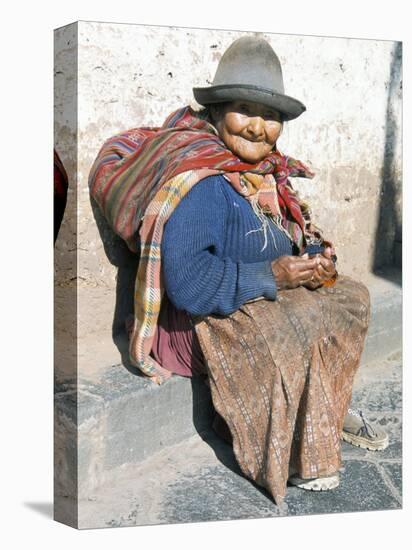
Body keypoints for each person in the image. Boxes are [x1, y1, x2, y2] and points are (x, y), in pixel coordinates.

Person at [89, 36, 387, 504]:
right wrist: (276, 277)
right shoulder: (203, 181)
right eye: (244, 110)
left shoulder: (265, 172)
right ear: (218, 111)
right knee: (292, 320)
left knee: (349, 297)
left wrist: (313, 258)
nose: (258, 127)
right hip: (196, 323)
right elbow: (188, 285)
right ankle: (274, 443)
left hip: (252, 294)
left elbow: (280, 235)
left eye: (270, 116)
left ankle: (319, 411)